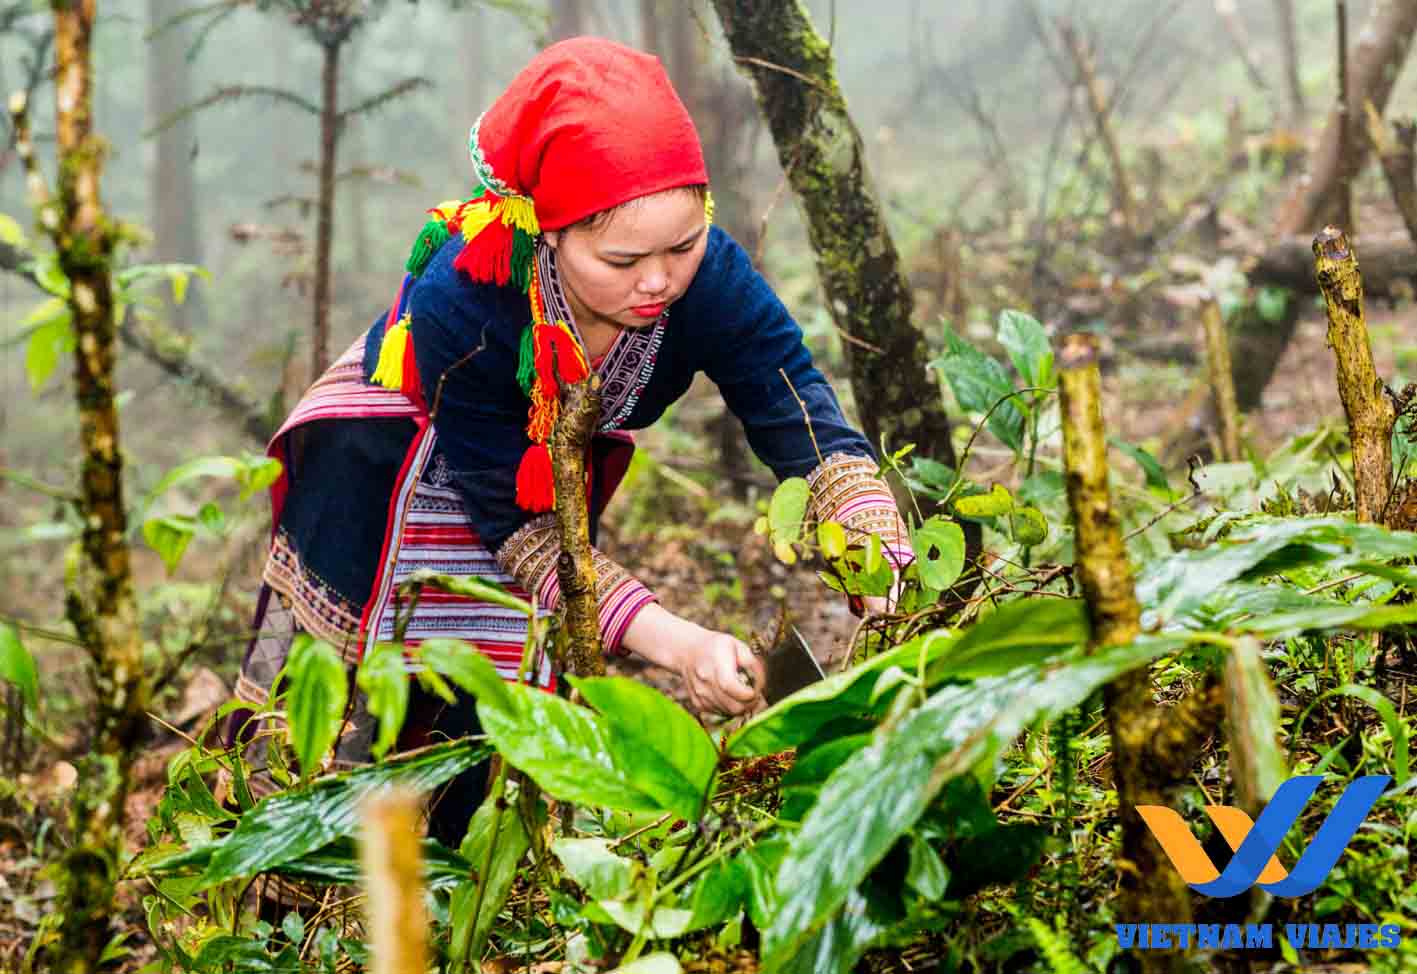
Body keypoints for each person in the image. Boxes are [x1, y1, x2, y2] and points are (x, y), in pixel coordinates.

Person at [225, 37, 910, 851]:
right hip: (384, 475)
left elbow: (783, 387)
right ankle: (311, 907)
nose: (658, 282)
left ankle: (477, 886)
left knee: (500, 704)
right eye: (622, 259)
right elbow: (522, 531)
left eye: (681, 247)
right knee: (357, 709)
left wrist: (863, 520)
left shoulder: (709, 278)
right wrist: (675, 641)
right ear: (549, 235)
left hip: (530, 482)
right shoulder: (465, 299)